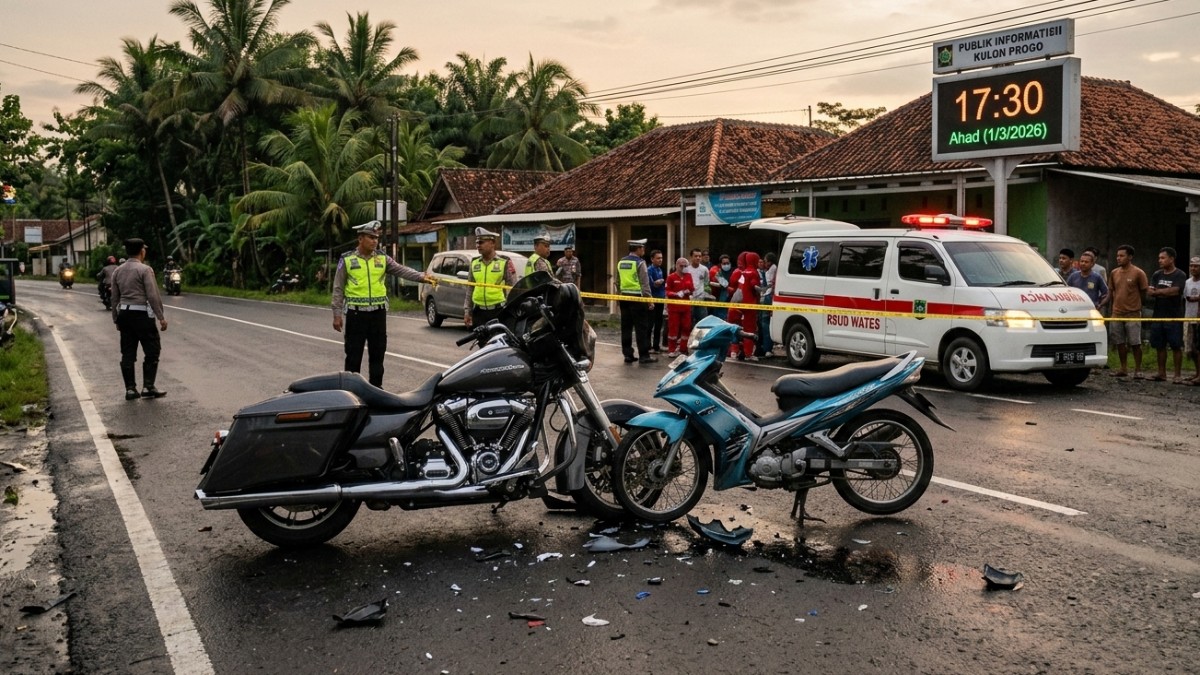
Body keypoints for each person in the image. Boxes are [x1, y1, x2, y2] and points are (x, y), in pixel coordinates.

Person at [331, 221, 433, 388]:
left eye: (376, 238)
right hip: (356, 315)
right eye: (371, 237)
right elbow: (338, 288)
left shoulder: (382, 259)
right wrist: (336, 314)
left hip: (378, 315)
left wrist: (422, 276)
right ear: (360, 239)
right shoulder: (347, 259)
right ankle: (351, 393)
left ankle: (376, 391)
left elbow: (402, 270)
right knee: (353, 358)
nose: (374, 241)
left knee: (377, 357)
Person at [109, 238, 168, 400]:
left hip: (125, 315)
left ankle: (130, 389)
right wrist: (161, 317)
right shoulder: (145, 270)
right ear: (142, 251)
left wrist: (116, 319)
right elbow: (152, 295)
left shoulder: (118, 271)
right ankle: (148, 387)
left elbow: (114, 298)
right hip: (141, 315)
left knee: (127, 352)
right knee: (152, 349)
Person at [464, 227, 521, 328]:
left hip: (498, 311)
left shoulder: (504, 262)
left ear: (492, 243)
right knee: (482, 343)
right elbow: (470, 288)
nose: (478, 245)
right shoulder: (474, 262)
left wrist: (511, 311)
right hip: (478, 312)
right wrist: (467, 311)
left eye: (481, 242)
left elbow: (513, 288)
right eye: (477, 243)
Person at [1107, 244, 1148, 378]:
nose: (1118, 258)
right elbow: (1112, 292)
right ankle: (1123, 368)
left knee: (1135, 342)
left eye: (1122, 255)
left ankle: (1138, 369)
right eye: (1117, 255)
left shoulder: (1138, 273)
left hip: (1133, 313)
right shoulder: (1114, 272)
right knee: (1119, 343)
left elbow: (1143, 292)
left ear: (1130, 257)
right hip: (1117, 313)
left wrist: (1136, 306)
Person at [1147, 246, 1187, 382]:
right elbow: (1150, 291)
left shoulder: (1180, 275)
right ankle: (1161, 373)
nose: (1160, 260)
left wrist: (1159, 292)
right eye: (1159, 258)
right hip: (1158, 315)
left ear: (1171, 259)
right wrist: (1163, 292)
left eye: (1163, 258)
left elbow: (1175, 291)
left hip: (1174, 316)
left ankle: (1177, 375)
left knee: (1176, 346)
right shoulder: (1157, 274)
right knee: (1159, 346)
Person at [616, 238, 656, 364]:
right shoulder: (640, 262)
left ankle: (628, 354)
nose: (643, 250)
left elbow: (617, 282)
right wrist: (649, 300)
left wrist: (618, 297)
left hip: (624, 298)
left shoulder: (621, 262)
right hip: (638, 299)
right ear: (638, 249)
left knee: (626, 327)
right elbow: (645, 283)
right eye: (642, 248)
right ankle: (644, 355)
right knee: (641, 328)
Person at [726, 251, 761, 361]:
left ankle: (733, 352)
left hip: (737, 304)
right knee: (749, 329)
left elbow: (736, 286)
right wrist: (764, 290)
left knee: (735, 328)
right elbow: (754, 286)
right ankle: (748, 354)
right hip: (749, 305)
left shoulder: (743, 272)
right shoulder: (754, 272)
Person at [665, 257, 694, 356]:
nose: (683, 268)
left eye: (685, 266)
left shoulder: (688, 276)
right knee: (673, 328)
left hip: (686, 307)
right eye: (681, 266)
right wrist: (676, 294)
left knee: (686, 327)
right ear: (676, 266)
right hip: (674, 308)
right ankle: (672, 350)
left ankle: (683, 348)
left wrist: (687, 291)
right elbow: (667, 291)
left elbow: (692, 288)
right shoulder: (671, 277)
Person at [756, 252, 777, 357]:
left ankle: (766, 348)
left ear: (769, 261)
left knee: (765, 323)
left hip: (768, 297)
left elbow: (769, 286)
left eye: (765, 261)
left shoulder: (772, 270)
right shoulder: (771, 270)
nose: (764, 263)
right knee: (766, 323)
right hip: (768, 297)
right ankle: (767, 348)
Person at [1183, 256, 1200, 385]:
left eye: (1196, 266)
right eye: (1192, 266)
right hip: (1190, 317)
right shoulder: (1188, 282)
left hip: (1199, 318)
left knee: (1199, 347)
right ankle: (1197, 372)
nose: (1193, 268)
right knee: (1192, 348)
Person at [646, 249, 667, 353]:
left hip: (660, 299)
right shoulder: (649, 270)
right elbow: (650, 284)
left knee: (659, 324)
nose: (660, 260)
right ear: (652, 259)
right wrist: (657, 283)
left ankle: (656, 346)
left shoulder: (660, 270)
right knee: (650, 324)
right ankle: (648, 346)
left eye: (661, 258)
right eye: (658, 258)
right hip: (652, 299)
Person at [685, 248, 710, 324]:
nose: (698, 258)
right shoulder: (686, 269)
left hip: (701, 300)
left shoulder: (704, 269)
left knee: (703, 321)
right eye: (695, 256)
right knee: (689, 322)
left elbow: (706, 282)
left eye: (699, 256)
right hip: (689, 300)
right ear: (691, 257)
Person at [709, 254, 733, 320]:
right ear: (720, 264)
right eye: (724, 263)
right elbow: (724, 284)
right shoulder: (716, 271)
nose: (726, 265)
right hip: (719, 296)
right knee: (720, 316)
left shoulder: (732, 271)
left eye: (727, 263)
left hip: (729, 296)